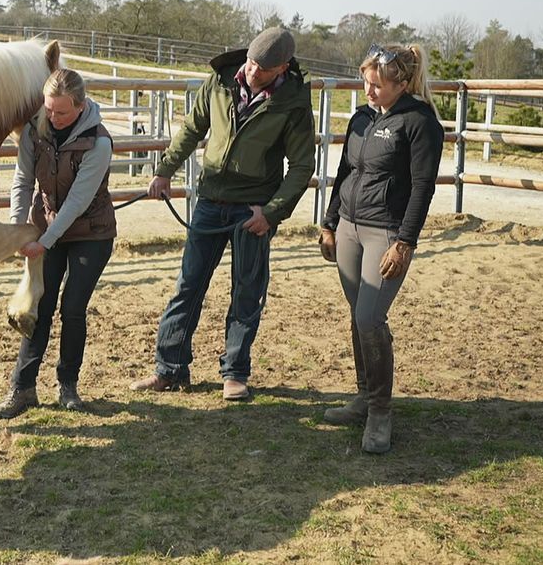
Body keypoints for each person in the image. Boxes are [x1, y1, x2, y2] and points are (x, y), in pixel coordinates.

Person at [130, 27, 315, 401]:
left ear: (281, 68)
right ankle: (169, 369)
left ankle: (235, 372)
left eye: (262, 68)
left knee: (247, 291)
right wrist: (165, 170)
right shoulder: (218, 81)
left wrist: (272, 213)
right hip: (211, 200)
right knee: (188, 285)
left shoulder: (293, 102)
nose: (251, 71)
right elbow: (193, 128)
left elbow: (300, 165)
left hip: (252, 208)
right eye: (250, 62)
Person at [318, 43, 444, 454]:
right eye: (366, 83)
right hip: (350, 231)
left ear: (403, 83)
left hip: (386, 234)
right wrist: (330, 222)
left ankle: (380, 412)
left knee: (371, 317)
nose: (367, 91)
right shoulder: (363, 117)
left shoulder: (420, 123)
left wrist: (404, 243)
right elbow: (344, 172)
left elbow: (423, 188)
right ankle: (363, 395)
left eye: (376, 85)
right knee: (359, 316)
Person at [0, 67, 116, 418]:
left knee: (72, 307)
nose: (54, 117)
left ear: (80, 106)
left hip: (91, 233)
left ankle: (68, 385)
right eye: (49, 109)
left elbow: (77, 202)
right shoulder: (36, 129)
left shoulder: (99, 142)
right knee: (39, 308)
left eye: (61, 112)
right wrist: (18, 227)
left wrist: (44, 241)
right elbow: (22, 180)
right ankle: (22, 388)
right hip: (47, 229)